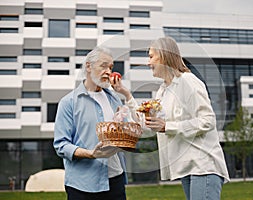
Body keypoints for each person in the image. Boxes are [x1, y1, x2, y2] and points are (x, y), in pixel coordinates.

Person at [113, 37, 230, 200]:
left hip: (203, 165)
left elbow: (207, 120)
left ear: (164, 56)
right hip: (188, 167)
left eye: (151, 56)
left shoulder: (188, 82)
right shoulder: (164, 91)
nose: (148, 63)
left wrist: (167, 126)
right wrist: (126, 95)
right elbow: (149, 124)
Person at [53, 46, 127, 200]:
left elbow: (124, 133)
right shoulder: (69, 102)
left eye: (111, 67)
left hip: (115, 180)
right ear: (88, 66)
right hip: (82, 185)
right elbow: (61, 145)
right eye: (103, 66)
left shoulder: (114, 99)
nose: (108, 71)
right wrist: (91, 154)